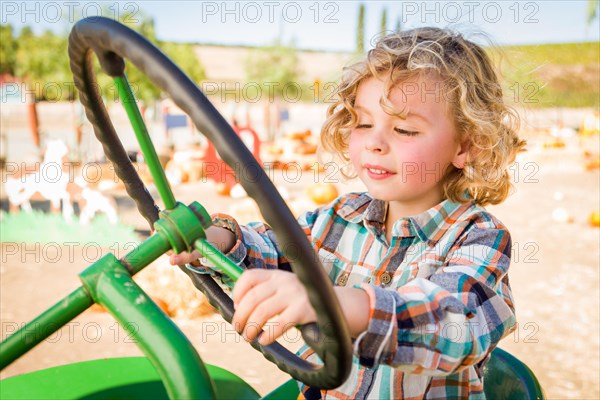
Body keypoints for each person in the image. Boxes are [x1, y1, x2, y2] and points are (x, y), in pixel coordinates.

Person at [171, 27, 525, 399]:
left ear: (465, 146)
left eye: (404, 129)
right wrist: (219, 240)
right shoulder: (339, 218)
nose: (374, 143)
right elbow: (274, 252)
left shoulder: (479, 236)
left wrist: (337, 303)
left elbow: (457, 324)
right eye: (364, 122)